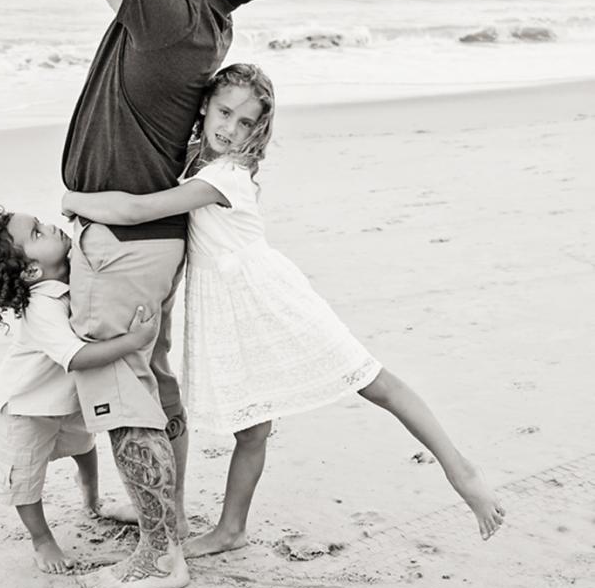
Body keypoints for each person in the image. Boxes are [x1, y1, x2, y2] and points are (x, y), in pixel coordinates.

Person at [62, 63, 507, 557]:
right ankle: (231, 529)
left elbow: (137, 211)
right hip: (226, 304)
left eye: (245, 122)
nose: (230, 129)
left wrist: (74, 198)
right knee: (251, 426)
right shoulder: (198, 159)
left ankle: (460, 470)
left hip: (265, 295)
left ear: (258, 130)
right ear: (205, 105)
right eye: (225, 112)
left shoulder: (225, 175)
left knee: (371, 380)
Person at [45, 0, 295, 588]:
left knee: (124, 393)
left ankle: (161, 557)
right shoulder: (191, 10)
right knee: (151, 385)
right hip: (133, 236)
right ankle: (167, 521)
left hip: (124, 240)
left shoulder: (175, 18)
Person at [0, 207, 157, 574]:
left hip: (64, 400)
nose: (49, 226)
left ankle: (93, 502)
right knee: (24, 478)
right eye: (37, 233)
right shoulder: (40, 305)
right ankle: (42, 540)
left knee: (84, 448)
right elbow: (78, 356)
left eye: (41, 224)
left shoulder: (71, 280)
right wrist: (134, 341)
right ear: (32, 271)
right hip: (27, 406)